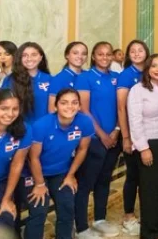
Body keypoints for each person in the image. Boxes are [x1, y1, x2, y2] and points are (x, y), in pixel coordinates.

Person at [24, 88, 93, 239]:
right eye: (64, 103)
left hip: (60, 172)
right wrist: (40, 184)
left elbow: (82, 149)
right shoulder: (41, 125)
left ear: (79, 106)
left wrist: (70, 175)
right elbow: (33, 158)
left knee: (67, 205)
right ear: (55, 106)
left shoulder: (85, 121)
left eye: (74, 103)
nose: (70, 107)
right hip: (34, 173)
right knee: (39, 209)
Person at [74, 42, 121, 238]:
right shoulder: (85, 78)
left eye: (108, 54)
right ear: (93, 56)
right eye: (100, 54)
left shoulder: (117, 78)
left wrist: (117, 131)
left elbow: (122, 107)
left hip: (114, 137)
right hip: (93, 138)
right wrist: (102, 134)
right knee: (86, 183)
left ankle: (100, 219)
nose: (104, 57)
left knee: (104, 180)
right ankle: (82, 226)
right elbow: (83, 110)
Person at [128, 54, 158, 239]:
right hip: (149, 142)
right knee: (150, 186)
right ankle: (150, 230)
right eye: (154, 65)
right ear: (147, 68)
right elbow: (135, 120)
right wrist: (143, 148)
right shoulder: (137, 90)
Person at [116, 39, 148, 235]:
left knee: (147, 176)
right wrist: (126, 137)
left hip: (150, 133)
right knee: (133, 177)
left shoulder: (150, 70)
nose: (136, 53)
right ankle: (129, 215)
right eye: (133, 51)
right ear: (128, 54)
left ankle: (148, 213)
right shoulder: (126, 75)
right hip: (132, 133)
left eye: (140, 50)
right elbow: (121, 107)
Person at [0, 89, 31, 234]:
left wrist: (6, 198)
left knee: (7, 217)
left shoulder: (24, 130)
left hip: (3, 182)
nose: (10, 114)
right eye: (4, 108)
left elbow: (17, 165)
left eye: (15, 109)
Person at [3, 42, 52, 124]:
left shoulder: (50, 79)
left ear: (41, 57)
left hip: (44, 129)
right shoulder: (10, 79)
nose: (29, 58)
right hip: (19, 129)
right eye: (25, 55)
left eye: (34, 55)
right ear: (20, 58)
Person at [49, 41, 88, 112]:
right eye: (75, 53)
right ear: (67, 55)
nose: (80, 56)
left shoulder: (89, 76)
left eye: (84, 54)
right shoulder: (58, 79)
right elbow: (52, 110)